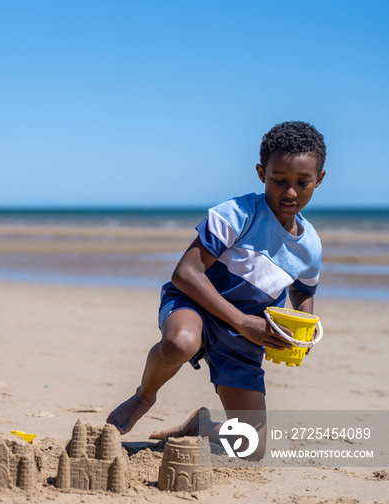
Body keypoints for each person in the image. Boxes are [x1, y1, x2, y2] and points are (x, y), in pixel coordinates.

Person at [107, 121, 326, 459]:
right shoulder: (237, 214)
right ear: (261, 173)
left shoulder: (309, 246)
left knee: (252, 450)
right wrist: (242, 322)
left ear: (320, 179)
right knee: (181, 342)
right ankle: (143, 396)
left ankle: (202, 426)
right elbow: (185, 273)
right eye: (278, 180)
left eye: (303, 182)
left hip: (244, 336)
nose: (290, 192)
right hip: (196, 305)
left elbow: (304, 290)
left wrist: (303, 326)